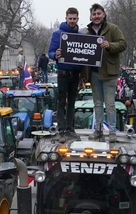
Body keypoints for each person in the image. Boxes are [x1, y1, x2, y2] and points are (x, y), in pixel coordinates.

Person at [86, 3, 127, 142]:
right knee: (97, 103)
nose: (96, 16)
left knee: (110, 104)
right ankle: (98, 130)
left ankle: (112, 132)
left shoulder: (113, 28)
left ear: (103, 14)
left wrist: (110, 45)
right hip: (94, 73)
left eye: (99, 13)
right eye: (94, 14)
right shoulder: (87, 31)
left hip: (109, 73)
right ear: (91, 16)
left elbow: (123, 44)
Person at [48, 7, 82, 138]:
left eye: (74, 19)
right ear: (66, 18)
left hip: (75, 74)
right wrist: (55, 55)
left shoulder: (80, 36)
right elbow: (50, 52)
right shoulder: (57, 34)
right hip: (62, 73)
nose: (72, 21)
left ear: (77, 19)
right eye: (70, 18)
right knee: (61, 101)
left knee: (72, 102)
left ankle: (70, 128)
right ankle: (61, 129)